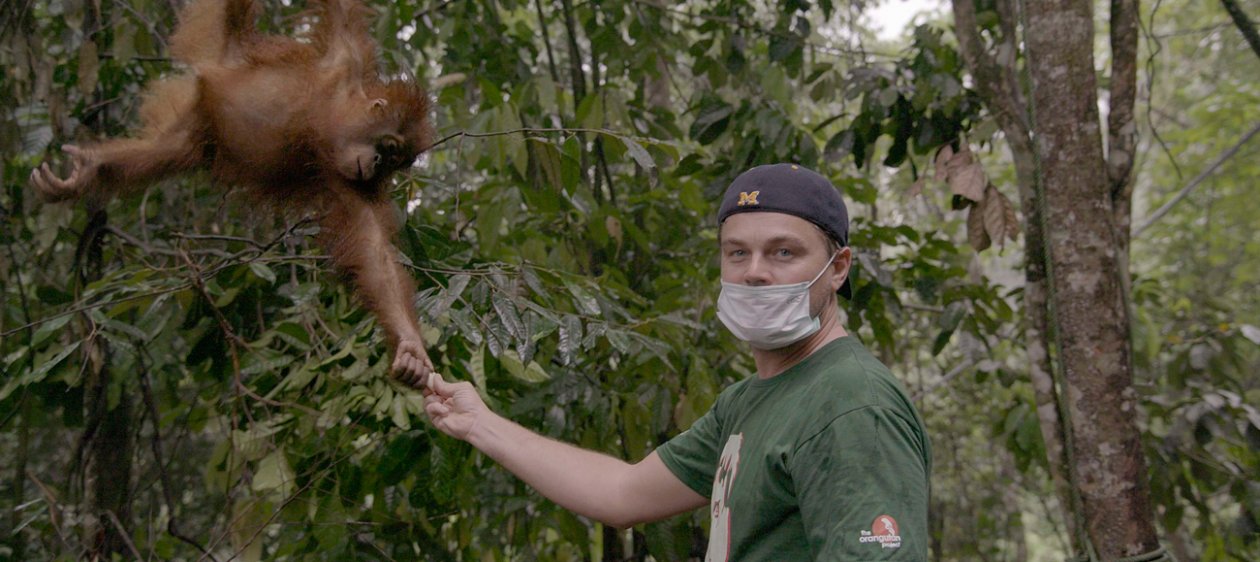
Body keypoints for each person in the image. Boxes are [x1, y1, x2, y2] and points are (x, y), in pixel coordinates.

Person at [422, 163, 931, 560]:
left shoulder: (852, 403)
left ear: (837, 268)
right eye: (737, 253)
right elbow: (622, 493)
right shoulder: (747, 401)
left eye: (782, 253)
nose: (754, 273)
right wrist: (480, 424)